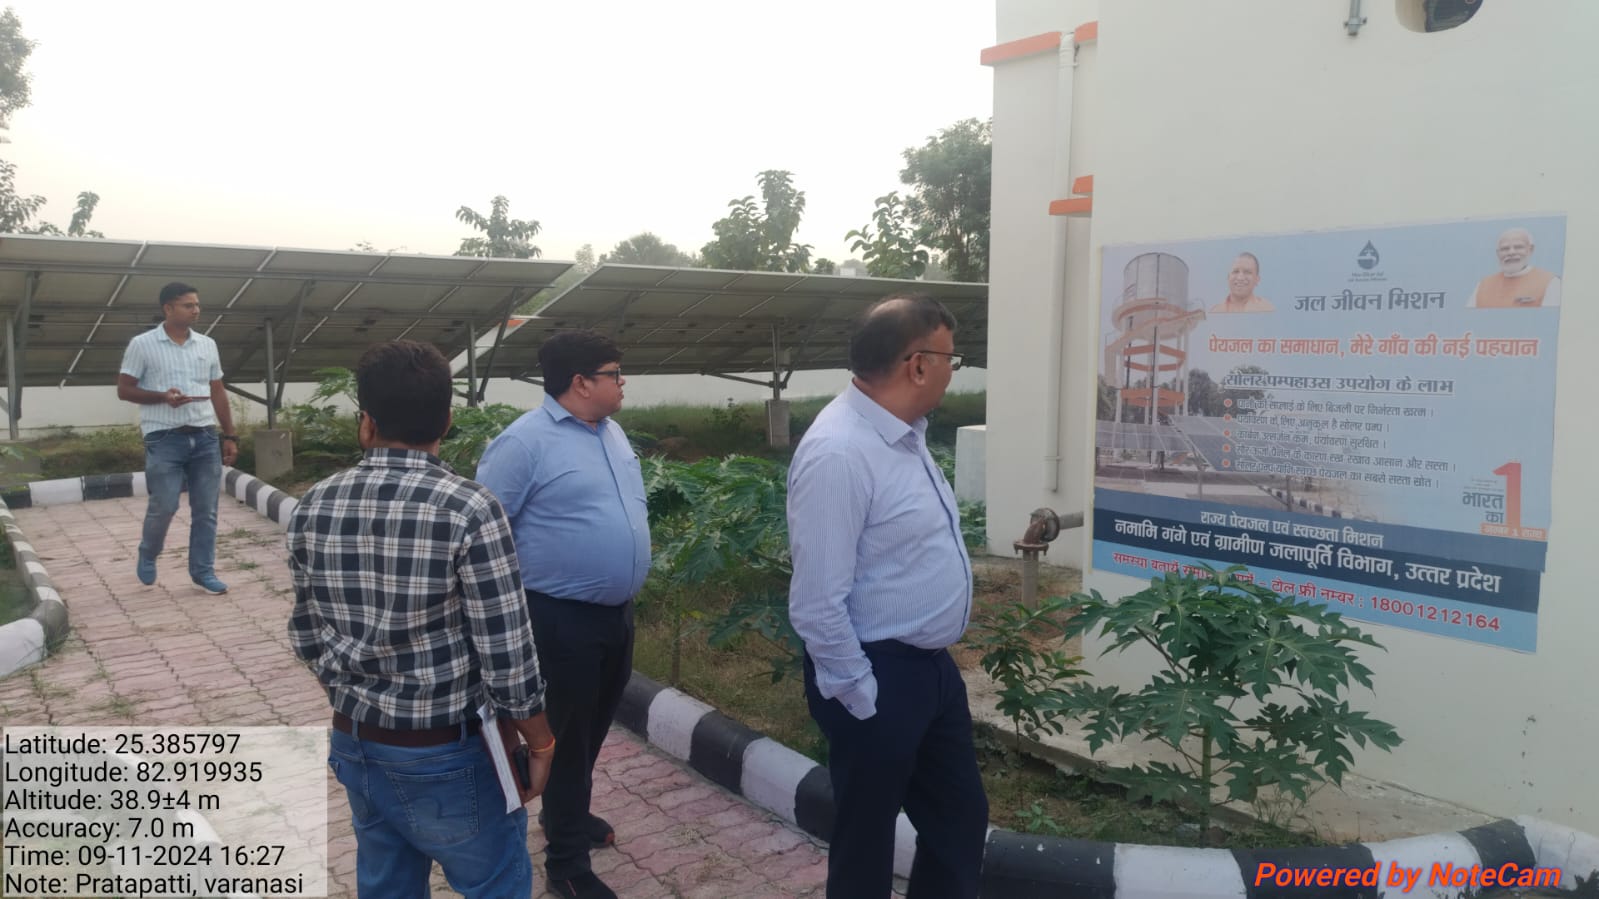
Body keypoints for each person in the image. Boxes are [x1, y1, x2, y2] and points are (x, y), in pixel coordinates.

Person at [287, 339, 555, 899]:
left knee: (387, 883)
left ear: (366, 423)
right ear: (447, 421)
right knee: (495, 884)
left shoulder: (313, 504)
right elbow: (506, 653)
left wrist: (358, 698)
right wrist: (540, 742)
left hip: (356, 741)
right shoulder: (469, 508)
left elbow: (308, 636)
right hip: (446, 752)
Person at [787, 294, 987, 899]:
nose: (954, 371)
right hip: (876, 675)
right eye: (952, 359)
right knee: (866, 842)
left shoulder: (903, 434)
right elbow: (817, 601)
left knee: (959, 818)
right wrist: (861, 694)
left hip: (930, 673)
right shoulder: (840, 452)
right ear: (918, 365)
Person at [476, 329, 650, 899]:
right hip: (557, 618)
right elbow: (483, 534)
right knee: (566, 739)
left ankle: (563, 815)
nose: (623, 383)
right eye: (614, 374)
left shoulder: (612, 432)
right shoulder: (523, 444)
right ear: (581, 383)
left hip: (614, 616)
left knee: (593, 727)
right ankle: (567, 866)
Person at [116, 281, 238, 594]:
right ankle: (148, 551)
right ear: (168, 308)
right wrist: (163, 397)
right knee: (165, 504)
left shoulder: (207, 345)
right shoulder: (142, 345)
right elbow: (124, 390)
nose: (195, 310)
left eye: (197, 305)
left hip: (204, 435)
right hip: (163, 438)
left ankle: (203, 572)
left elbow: (217, 391)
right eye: (188, 305)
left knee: (206, 510)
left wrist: (229, 435)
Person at [1469, 227, 1562, 308]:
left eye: (1518, 247)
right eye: (1505, 249)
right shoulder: (1483, 285)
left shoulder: (1550, 282)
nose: (1511, 252)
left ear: (1530, 249)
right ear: (1498, 253)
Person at [1208, 252, 1274, 313]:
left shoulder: (1267, 309)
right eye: (1235, 271)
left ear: (1257, 280)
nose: (1240, 278)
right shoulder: (1215, 312)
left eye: (1247, 272)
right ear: (1228, 277)